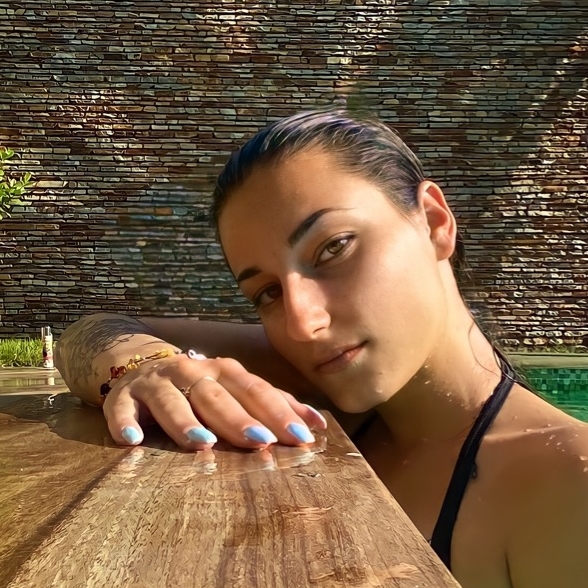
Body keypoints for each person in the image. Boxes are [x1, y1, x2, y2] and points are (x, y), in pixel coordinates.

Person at [55, 109, 588, 588]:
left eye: (333, 248)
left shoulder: (565, 486)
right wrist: (147, 366)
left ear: (433, 221)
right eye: (266, 292)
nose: (303, 324)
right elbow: (89, 331)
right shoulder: (310, 385)